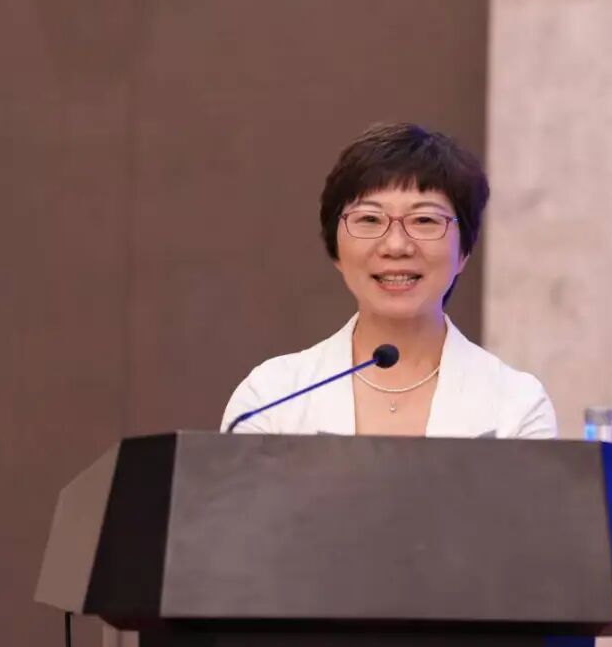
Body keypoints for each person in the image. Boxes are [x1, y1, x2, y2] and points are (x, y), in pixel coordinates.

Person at [221, 123, 557, 438]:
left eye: (424, 220)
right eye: (370, 219)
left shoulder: (517, 405)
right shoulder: (271, 397)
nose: (396, 246)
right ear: (336, 249)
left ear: (464, 252)